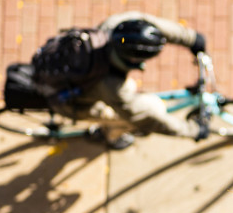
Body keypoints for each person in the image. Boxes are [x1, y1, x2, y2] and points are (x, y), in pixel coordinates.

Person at [47, 11, 208, 150]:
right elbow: (148, 119)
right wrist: (192, 130)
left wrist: (191, 39)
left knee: (130, 92)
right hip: (69, 103)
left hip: (63, 69)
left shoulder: (114, 27)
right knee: (149, 109)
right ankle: (108, 135)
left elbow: (148, 22)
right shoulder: (112, 86)